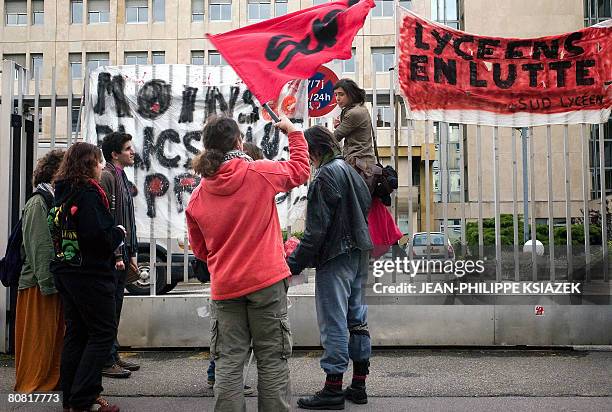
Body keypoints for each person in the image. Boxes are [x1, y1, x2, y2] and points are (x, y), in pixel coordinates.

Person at [186, 115, 309, 412]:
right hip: (267, 282)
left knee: (228, 361)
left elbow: (201, 252)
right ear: (239, 142)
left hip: (226, 286)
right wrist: (293, 132)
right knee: (272, 359)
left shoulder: (198, 196)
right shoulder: (259, 173)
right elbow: (301, 170)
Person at [287, 126, 373, 410]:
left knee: (333, 321)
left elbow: (316, 231)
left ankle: (333, 388)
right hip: (360, 252)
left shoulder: (324, 176)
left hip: (335, 255)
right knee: (357, 319)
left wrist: (293, 263)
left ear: (313, 151)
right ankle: (358, 385)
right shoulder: (351, 171)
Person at [50, 142, 126, 412]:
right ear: (87, 164)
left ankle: (72, 399)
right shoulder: (88, 194)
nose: (102, 166)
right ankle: (84, 398)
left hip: (67, 272)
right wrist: (118, 232)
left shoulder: (62, 191)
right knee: (102, 334)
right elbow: (98, 236)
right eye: (98, 161)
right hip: (90, 275)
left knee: (77, 334)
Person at [206, 140, 263, 394]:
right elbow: (297, 170)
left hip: (225, 276)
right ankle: (219, 375)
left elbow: (200, 243)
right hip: (251, 276)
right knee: (247, 341)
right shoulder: (253, 185)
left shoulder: (206, 189)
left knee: (227, 338)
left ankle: (216, 374)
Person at [14, 150, 65, 393]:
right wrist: (48, 284)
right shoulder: (38, 202)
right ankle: (33, 386)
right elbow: (39, 248)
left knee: (51, 338)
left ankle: (49, 381)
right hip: (38, 284)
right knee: (38, 339)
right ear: (55, 172)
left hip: (48, 282)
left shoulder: (52, 198)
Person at [99, 132, 140, 379]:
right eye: (127, 148)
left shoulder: (121, 176)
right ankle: (106, 359)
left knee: (116, 306)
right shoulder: (108, 176)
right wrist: (117, 253)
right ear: (115, 154)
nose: (132, 152)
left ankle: (112, 355)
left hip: (122, 252)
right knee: (109, 308)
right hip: (113, 254)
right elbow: (109, 218)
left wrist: (131, 251)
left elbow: (128, 219)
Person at [332, 78, 377, 188]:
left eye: (341, 94)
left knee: (354, 203)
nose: (337, 98)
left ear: (351, 94)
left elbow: (335, 137)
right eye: (336, 95)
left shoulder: (354, 113)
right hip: (363, 165)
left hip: (358, 166)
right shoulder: (360, 109)